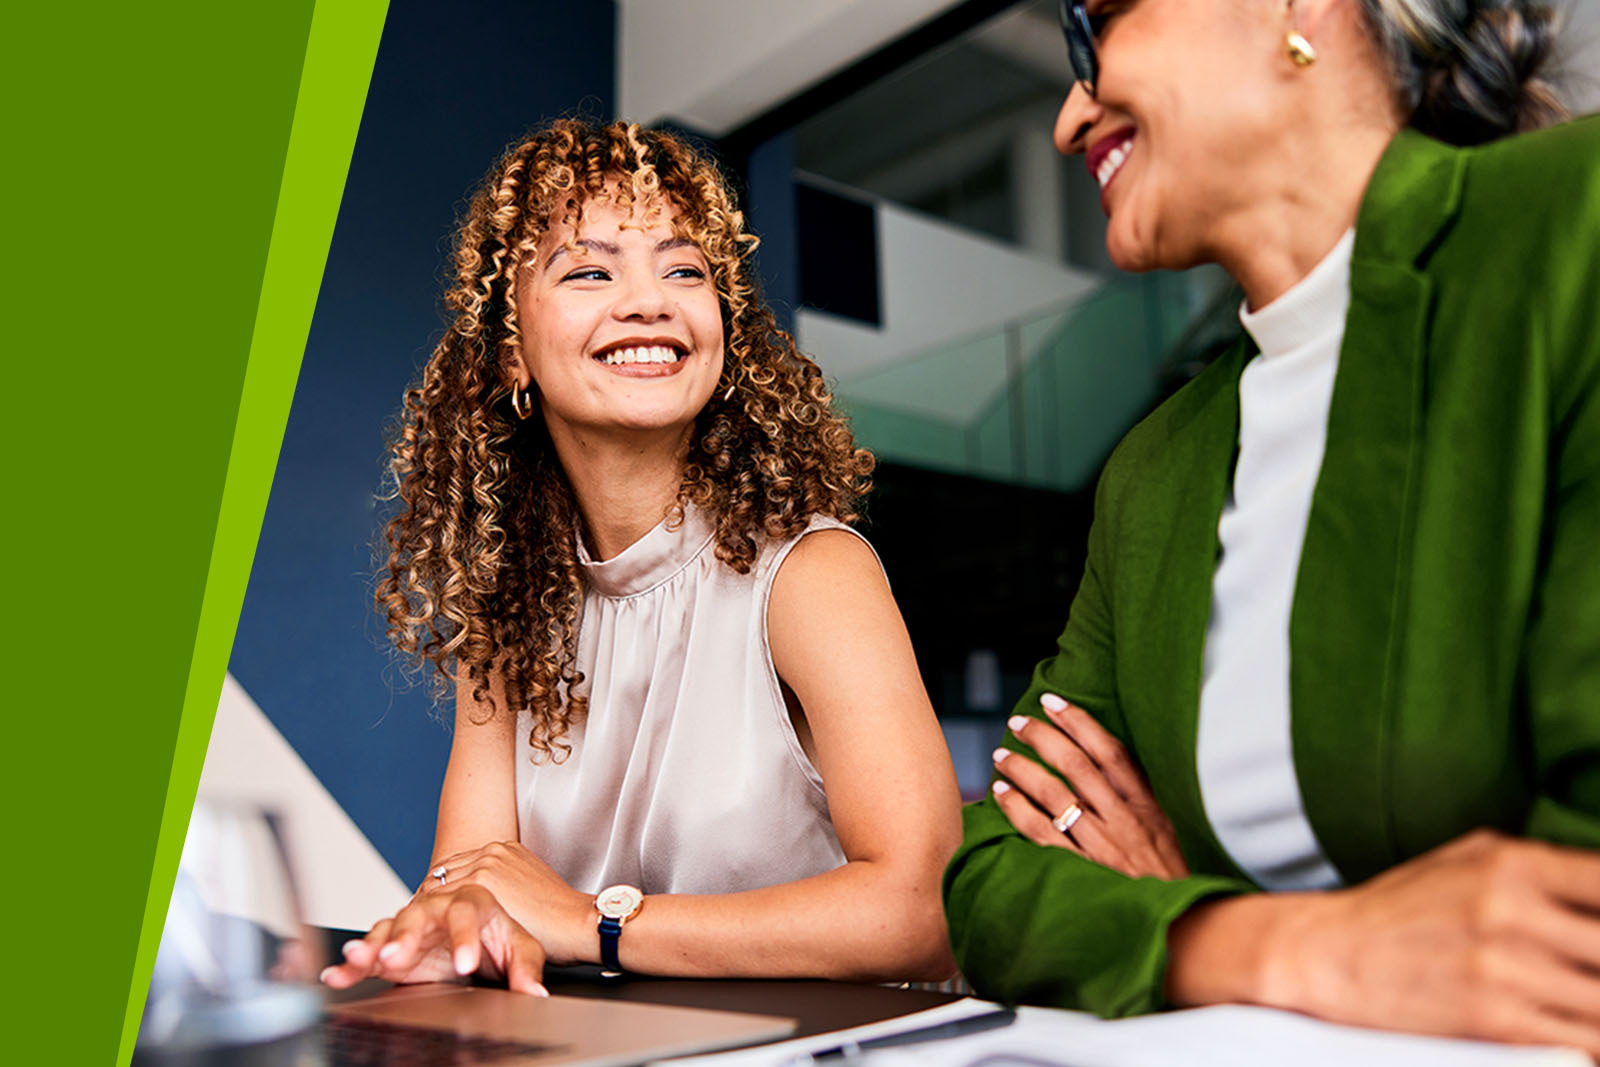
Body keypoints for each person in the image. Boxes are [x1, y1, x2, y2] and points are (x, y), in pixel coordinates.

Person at [945, 0, 1600, 1055]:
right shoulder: (1155, 469)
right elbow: (992, 876)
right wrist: (1262, 941)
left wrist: (1161, 915)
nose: (1069, 119)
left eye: (1095, 27)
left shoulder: (1577, 227)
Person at [320, 119, 961, 995]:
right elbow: (473, 884)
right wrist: (449, 926)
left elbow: (925, 910)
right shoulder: (508, 617)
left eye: (684, 269)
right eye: (589, 270)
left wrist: (593, 922)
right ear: (511, 348)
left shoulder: (812, 575)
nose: (650, 301)